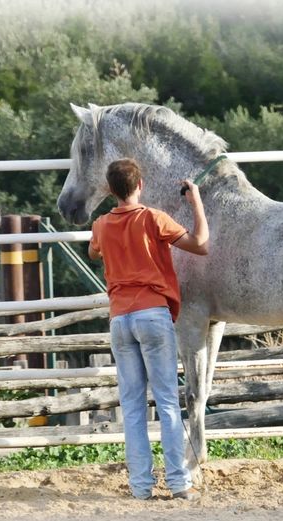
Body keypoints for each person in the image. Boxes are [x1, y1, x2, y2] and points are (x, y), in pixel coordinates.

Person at [88, 158, 209, 501]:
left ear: (111, 190)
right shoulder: (153, 218)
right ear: (140, 186)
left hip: (120, 320)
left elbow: (93, 252)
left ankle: (140, 487)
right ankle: (178, 483)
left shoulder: (101, 225)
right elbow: (201, 243)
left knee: (132, 406)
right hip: (153, 314)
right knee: (168, 402)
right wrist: (195, 200)